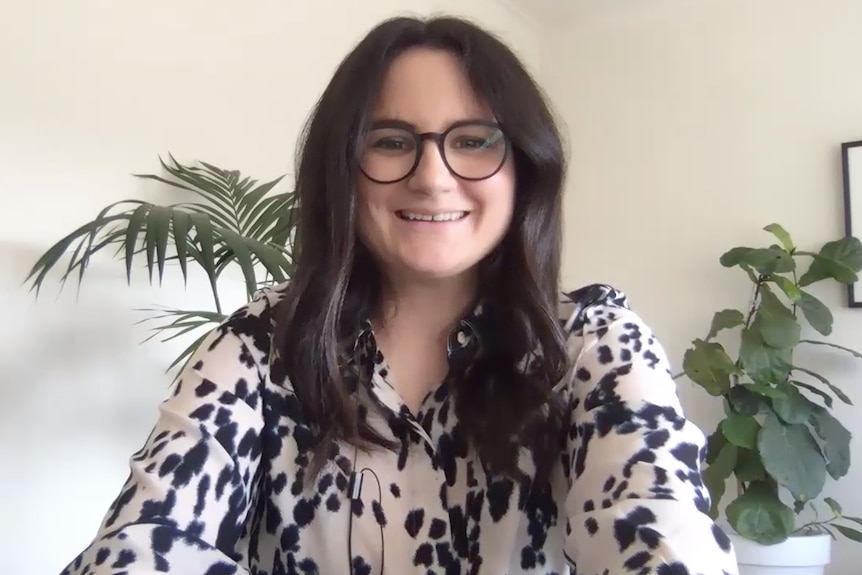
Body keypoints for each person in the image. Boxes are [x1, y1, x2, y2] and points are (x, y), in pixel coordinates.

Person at [60, 14, 738, 575]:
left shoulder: (589, 344)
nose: (433, 177)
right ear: (343, 170)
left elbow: (663, 533)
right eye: (391, 141)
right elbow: (134, 548)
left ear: (524, 169)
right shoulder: (256, 349)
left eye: (474, 141)